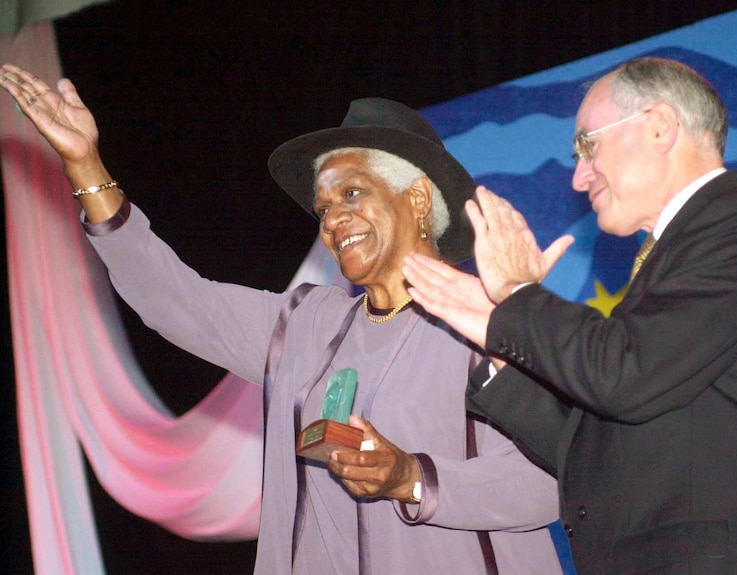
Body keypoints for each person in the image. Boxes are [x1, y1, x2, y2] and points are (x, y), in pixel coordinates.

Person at [0, 65, 563, 574]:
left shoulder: (490, 324)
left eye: (351, 193)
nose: (333, 220)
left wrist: (411, 477)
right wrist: (87, 167)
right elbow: (171, 298)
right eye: (323, 208)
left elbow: (548, 482)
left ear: (417, 197)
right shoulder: (305, 325)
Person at [403, 57, 737, 574]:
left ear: (660, 127)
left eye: (586, 145)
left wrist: (518, 296)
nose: (579, 178)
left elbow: (626, 373)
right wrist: (498, 339)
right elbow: (598, 445)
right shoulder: (678, 253)